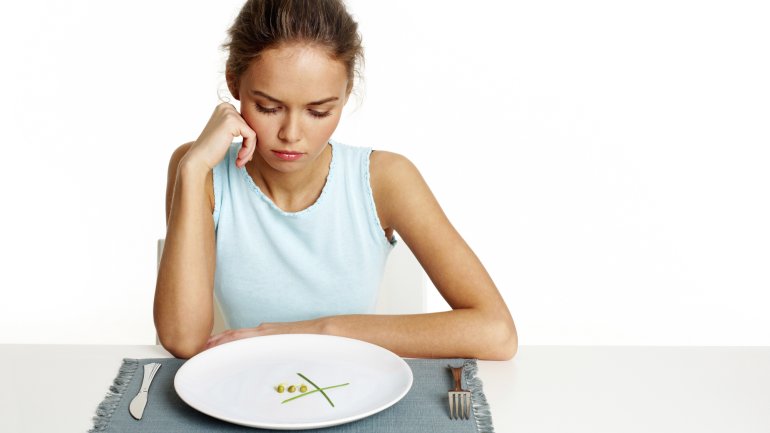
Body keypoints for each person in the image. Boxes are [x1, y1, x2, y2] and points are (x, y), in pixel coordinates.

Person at [154, 0, 517, 361]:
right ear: (234, 82)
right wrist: (192, 167)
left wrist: (316, 331)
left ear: (346, 92)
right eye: (268, 107)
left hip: (356, 388)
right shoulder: (200, 170)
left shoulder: (386, 179)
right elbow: (182, 340)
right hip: (245, 391)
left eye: (319, 111)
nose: (291, 134)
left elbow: (496, 333)